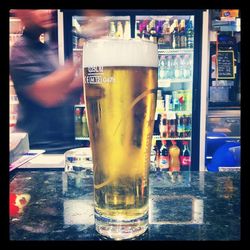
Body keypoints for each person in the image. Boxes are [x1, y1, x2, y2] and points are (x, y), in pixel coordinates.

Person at [10, 9, 108, 153]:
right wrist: (87, 51)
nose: (46, 12)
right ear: (22, 14)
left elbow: (65, 93)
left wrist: (94, 75)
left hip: (64, 145)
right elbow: (48, 96)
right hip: (38, 150)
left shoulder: (46, 49)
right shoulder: (20, 52)